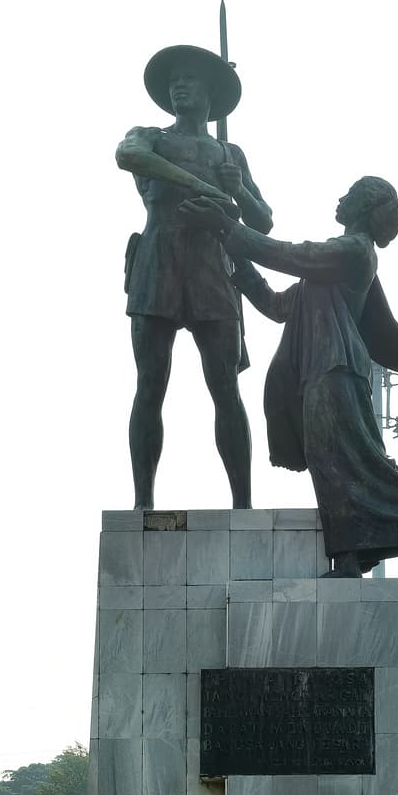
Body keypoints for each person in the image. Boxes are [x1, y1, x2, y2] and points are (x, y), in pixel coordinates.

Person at [212, 176, 398, 576]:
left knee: (362, 466)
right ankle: (350, 559)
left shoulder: (354, 251)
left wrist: (233, 230)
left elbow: (292, 254)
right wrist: (239, 261)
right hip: (321, 374)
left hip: (336, 372)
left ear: (360, 207)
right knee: (333, 469)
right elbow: (275, 304)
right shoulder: (325, 273)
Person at [116, 45, 274, 509]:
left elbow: (263, 222)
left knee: (226, 387)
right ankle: (143, 501)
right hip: (158, 260)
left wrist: (236, 187)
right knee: (150, 384)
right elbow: (128, 156)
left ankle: (242, 505)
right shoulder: (150, 136)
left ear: (211, 92)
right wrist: (203, 187)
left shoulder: (230, 153)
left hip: (212, 266)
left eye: (189, 79)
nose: (178, 86)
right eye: (173, 81)